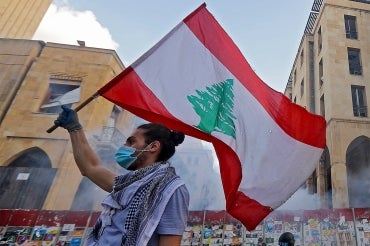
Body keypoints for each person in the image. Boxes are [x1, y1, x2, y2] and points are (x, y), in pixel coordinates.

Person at [54, 105, 190, 246]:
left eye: (131, 141)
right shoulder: (127, 184)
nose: (124, 146)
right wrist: (75, 128)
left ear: (153, 147)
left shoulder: (172, 189)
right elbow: (90, 168)